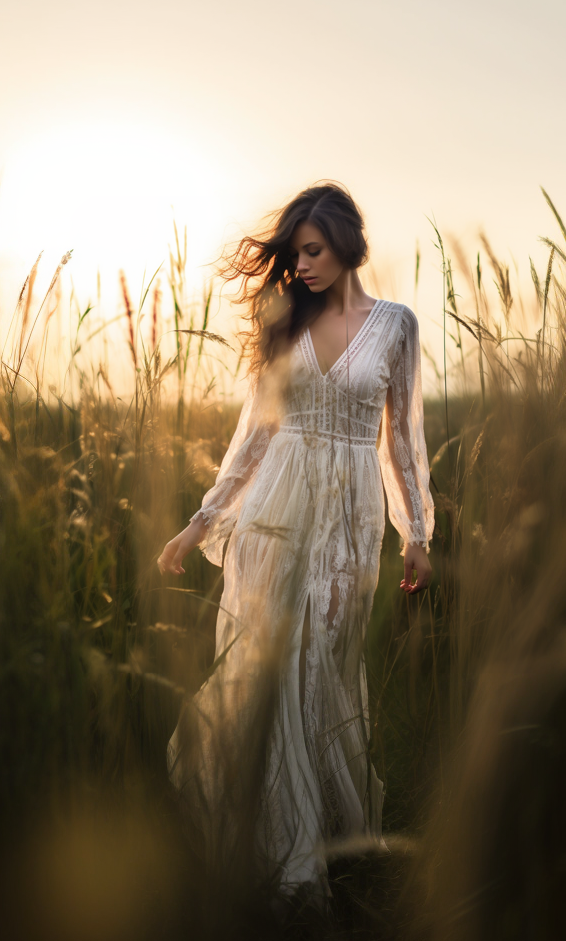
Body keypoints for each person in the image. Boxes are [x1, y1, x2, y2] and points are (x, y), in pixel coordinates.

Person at [157, 182, 434, 901]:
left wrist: (417, 533)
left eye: (311, 251)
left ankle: (317, 828)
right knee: (276, 663)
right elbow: (256, 437)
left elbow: (400, 438)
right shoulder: (286, 325)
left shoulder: (396, 325)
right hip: (274, 516)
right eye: (294, 254)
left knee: (326, 662)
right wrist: (202, 520)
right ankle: (293, 855)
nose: (301, 266)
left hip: (350, 520)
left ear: (346, 244)